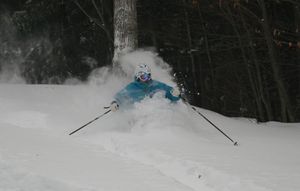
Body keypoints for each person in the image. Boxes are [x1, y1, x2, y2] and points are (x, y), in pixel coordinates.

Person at [110, 64, 181, 112]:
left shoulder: (157, 85)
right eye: (143, 77)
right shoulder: (131, 88)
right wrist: (114, 103)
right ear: (137, 77)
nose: (147, 79)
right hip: (138, 118)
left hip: (156, 116)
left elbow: (170, 94)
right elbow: (119, 97)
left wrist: (175, 94)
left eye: (148, 76)